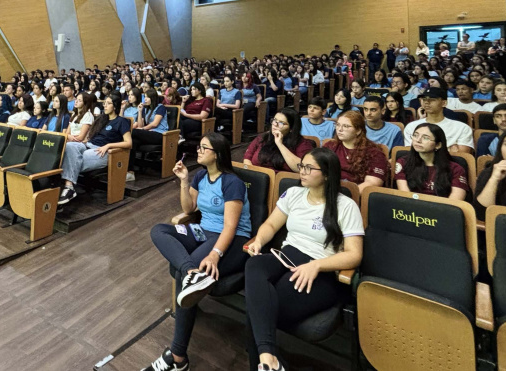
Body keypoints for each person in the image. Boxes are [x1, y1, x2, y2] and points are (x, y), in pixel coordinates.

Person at [244, 148, 364, 371]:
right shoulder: (293, 194)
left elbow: (354, 255)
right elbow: (271, 225)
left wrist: (316, 265)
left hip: (321, 270)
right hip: (286, 256)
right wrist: (259, 241)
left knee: (260, 309)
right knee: (254, 265)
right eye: (302, 166)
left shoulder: (345, 206)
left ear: (327, 174)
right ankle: (269, 359)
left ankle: (267, 362)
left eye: (309, 168)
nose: (302, 171)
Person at [142, 133, 251, 371]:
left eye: (204, 148)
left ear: (218, 154)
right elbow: (188, 208)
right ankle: (192, 271)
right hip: (204, 231)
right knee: (159, 230)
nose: (198, 151)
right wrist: (183, 180)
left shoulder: (232, 182)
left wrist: (215, 255)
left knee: (184, 273)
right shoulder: (201, 175)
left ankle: (178, 358)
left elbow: (231, 227)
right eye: (199, 147)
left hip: (233, 240)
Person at [58, 95, 132, 205]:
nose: (105, 105)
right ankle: (69, 187)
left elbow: (128, 143)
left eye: (108, 103)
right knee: (68, 147)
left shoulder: (121, 121)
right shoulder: (101, 119)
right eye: (104, 103)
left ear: (115, 106)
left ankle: (68, 188)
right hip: (88, 144)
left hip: (102, 150)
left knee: (73, 159)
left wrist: (108, 146)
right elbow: (90, 136)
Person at [395, 123, 468, 200]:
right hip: (411, 208)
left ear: (438, 145)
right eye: (415, 135)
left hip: (443, 209)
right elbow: (405, 196)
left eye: (425, 138)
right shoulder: (403, 162)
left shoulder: (456, 169)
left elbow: (455, 202)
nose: (418, 140)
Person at [323, 111, 387, 193]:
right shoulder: (330, 146)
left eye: (346, 126)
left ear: (358, 130)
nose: (339, 129)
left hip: (355, 196)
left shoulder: (374, 152)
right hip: (328, 191)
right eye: (338, 125)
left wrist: (347, 196)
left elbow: (372, 183)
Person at [404, 87, 474, 154]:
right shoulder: (411, 126)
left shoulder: (462, 128)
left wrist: (425, 150)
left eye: (432, 99)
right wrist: (448, 149)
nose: (426, 102)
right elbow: (411, 153)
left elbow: (461, 157)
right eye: (424, 99)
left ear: (444, 103)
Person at [243, 108, 314, 172]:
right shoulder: (263, 138)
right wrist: (254, 174)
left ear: (291, 129)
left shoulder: (302, 144)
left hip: (283, 183)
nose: (275, 124)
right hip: (259, 179)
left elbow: (301, 168)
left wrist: (280, 144)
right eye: (274, 120)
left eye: (281, 123)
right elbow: (247, 158)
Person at [128, 89, 171, 180]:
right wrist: (140, 111)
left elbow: (155, 124)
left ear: (152, 98)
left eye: (147, 97)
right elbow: (140, 125)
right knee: (133, 141)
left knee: (133, 132)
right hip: (149, 134)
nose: (145, 99)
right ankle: (130, 171)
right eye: (144, 97)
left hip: (160, 134)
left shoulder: (160, 107)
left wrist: (142, 129)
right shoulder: (146, 109)